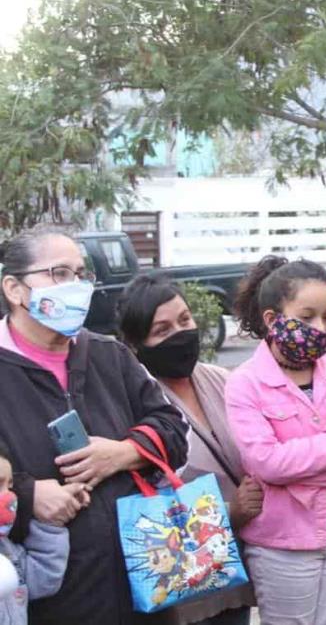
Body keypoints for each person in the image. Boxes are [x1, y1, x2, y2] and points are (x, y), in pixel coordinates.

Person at [0, 228, 189, 624]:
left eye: (81, 274)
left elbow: (173, 428)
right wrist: (27, 496)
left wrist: (125, 453)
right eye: (59, 273)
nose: (76, 286)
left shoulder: (108, 354)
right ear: (14, 289)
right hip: (53, 598)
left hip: (146, 585)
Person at [225, 256, 326, 625]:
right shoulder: (245, 383)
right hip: (283, 545)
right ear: (272, 319)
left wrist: (298, 472)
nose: (321, 327)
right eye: (307, 316)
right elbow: (267, 463)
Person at [117, 275, 261, 625]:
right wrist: (228, 513)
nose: (180, 334)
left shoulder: (221, 380)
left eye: (185, 320)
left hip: (238, 568)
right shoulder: (132, 402)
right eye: (162, 330)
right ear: (136, 345)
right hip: (181, 580)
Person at [0, 441, 70, 625]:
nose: (8, 497)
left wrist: (51, 525)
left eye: (9, 486)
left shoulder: (7, 548)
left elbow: (42, 579)